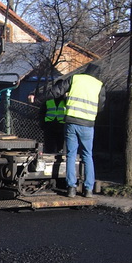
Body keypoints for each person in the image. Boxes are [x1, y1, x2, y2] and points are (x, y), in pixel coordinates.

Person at [46, 65, 106, 198]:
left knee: (71, 154)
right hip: (88, 125)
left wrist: (38, 97)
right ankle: (88, 189)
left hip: (71, 122)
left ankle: (71, 188)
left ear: (86, 72)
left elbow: (56, 91)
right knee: (87, 155)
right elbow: (101, 106)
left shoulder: (75, 78)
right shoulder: (99, 85)